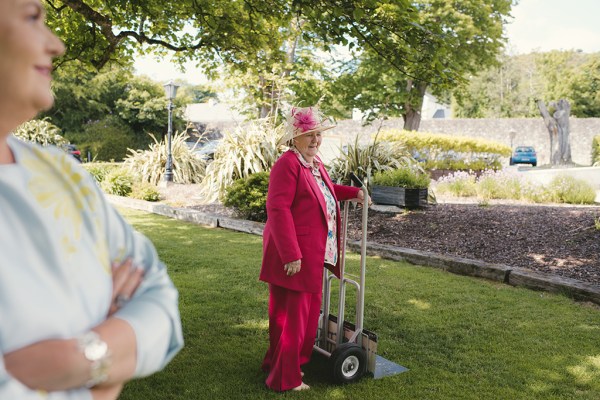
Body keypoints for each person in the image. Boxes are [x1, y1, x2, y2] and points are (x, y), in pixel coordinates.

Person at [0, 1, 184, 399]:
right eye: (33, 17)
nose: (57, 44)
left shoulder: (61, 172)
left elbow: (160, 298)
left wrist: (81, 360)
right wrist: (109, 373)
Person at [259, 105, 369, 391]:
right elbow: (278, 208)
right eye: (309, 134)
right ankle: (286, 378)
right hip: (296, 254)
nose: (315, 139)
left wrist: (353, 193)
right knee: (294, 319)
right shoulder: (288, 164)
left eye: (318, 134)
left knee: (301, 318)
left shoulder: (314, 163)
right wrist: (291, 253)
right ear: (294, 138)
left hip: (315, 252)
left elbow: (326, 189)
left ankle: (282, 363)